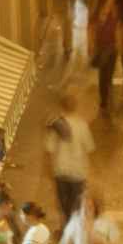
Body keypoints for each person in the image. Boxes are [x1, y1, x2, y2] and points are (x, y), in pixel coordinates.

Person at [45, 92, 96, 223]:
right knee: (77, 204)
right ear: (76, 107)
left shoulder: (57, 125)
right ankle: (75, 229)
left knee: (64, 204)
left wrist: (49, 169)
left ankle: (66, 226)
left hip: (61, 170)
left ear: (61, 106)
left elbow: (49, 149)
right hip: (78, 172)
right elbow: (90, 148)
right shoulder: (82, 125)